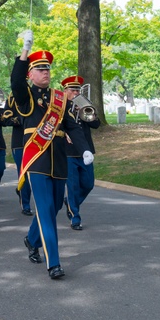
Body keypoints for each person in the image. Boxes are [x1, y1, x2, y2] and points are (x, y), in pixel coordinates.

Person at [10, 34, 92, 279]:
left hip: (59, 158)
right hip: (37, 159)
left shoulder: (59, 98)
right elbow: (15, 81)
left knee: (55, 206)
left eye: (47, 68)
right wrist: (25, 52)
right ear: (31, 74)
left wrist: (84, 148)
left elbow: (72, 126)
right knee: (45, 209)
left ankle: (31, 239)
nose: (45, 72)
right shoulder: (26, 97)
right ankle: (53, 262)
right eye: (40, 69)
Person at [61, 75, 99, 230]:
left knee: (88, 184)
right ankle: (75, 218)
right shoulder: (61, 106)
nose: (75, 92)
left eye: (77, 89)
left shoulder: (85, 104)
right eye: (72, 90)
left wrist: (86, 112)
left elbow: (96, 124)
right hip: (69, 152)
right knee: (73, 186)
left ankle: (70, 202)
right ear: (65, 91)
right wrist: (65, 133)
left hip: (86, 152)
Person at [7, 91, 33, 216]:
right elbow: (4, 118)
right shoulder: (12, 98)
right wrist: (18, 120)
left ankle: (22, 191)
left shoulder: (37, 95)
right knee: (24, 174)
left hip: (36, 141)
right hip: (19, 141)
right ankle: (26, 204)